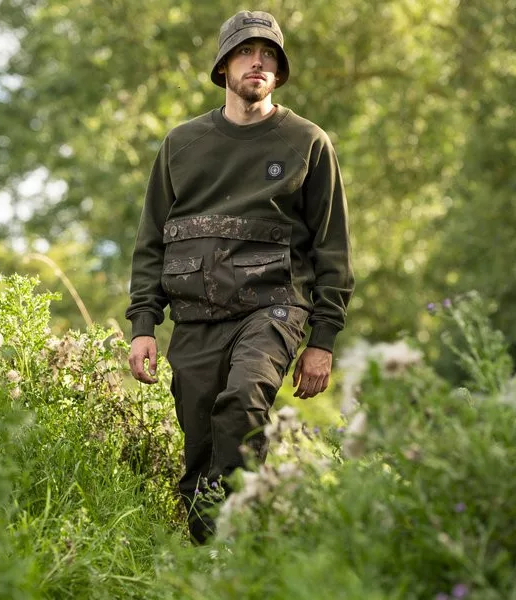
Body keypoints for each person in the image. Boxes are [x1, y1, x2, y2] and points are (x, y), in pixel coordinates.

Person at [125, 10, 354, 544]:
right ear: (223, 66)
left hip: (273, 308)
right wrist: (143, 325)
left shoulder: (307, 142)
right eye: (246, 52)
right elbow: (151, 241)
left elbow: (333, 246)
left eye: (269, 55)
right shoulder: (181, 144)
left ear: (279, 71)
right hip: (195, 317)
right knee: (200, 441)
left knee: (244, 401)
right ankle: (210, 553)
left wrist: (322, 340)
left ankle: (238, 533)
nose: (258, 62)